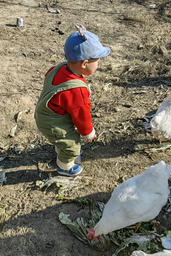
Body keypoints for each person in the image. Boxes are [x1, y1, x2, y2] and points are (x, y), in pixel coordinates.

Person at [34, 25, 110, 176]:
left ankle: (60, 144)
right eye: (97, 61)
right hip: (52, 124)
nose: (98, 64)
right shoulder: (76, 90)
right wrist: (88, 133)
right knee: (73, 147)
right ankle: (64, 166)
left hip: (45, 114)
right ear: (84, 63)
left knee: (65, 139)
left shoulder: (59, 68)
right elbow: (81, 115)